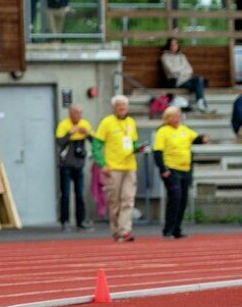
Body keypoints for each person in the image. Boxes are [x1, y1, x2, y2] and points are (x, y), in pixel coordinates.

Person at [92, 95, 147, 242]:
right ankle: (116, 230)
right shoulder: (106, 123)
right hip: (113, 167)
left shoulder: (131, 123)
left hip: (129, 166)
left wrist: (138, 149)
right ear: (113, 108)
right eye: (119, 106)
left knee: (128, 200)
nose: (122, 109)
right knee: (114, 202)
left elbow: (133, 143)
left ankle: (125, 230)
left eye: (124, 106)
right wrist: (101, 164)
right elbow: (96, 146)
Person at [152, 105, 209, 239]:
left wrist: (203, 138)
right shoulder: (163, 131)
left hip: (185, 169)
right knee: (175, 198)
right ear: (167, 118)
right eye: (174, 116)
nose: (177, 119)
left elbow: (195, 138)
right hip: (171, 169)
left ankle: (177, 228)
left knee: (183, 200)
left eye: (178, 116)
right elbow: (157, 152)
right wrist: (163, 168)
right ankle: (168, 229)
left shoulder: (184, 130)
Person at [55, 104, 93, 231]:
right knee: (65, 194)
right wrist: (69, 133)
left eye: (80, 113)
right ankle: (65, 220)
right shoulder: (63, 125)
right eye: (76, 113)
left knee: (80, 194)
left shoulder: (85, 124)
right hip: (65, 165)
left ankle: (80, 220)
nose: (78, 116)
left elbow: (95, 140)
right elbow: (59, 142)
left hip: (79, 164)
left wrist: (86, 134)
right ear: (70, 114)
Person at [160, 36, 208, 112]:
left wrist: (181, 72)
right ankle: (201, 102)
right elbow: (172, 71)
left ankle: (200, 102)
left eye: (175, 44)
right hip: (175, 82)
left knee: (199, 79)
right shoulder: (165, 57)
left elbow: (190, 69)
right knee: (198, 83)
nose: (174, 46)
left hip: (186, 79)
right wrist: (183, 70)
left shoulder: (182, 56)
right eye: (172, 44)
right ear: (168, 45)